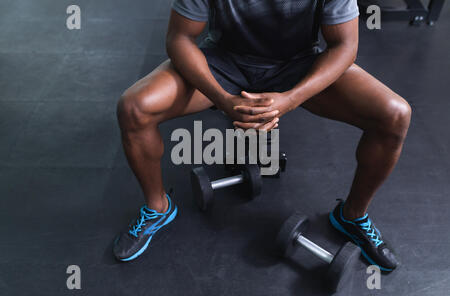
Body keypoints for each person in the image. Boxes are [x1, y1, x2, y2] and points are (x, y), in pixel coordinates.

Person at [113, 0, 411, 271]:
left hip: (298, 67)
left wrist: (291, 99)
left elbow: (345, 46)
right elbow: (179, 38)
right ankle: (157, 207)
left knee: (394, 115)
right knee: (134, 108)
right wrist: (221, 98)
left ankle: (352, 216)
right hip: (223, 64)